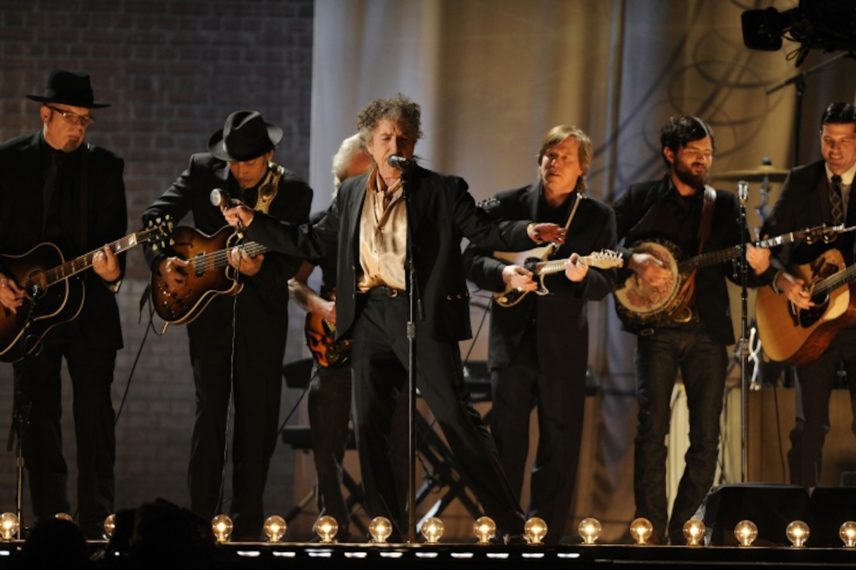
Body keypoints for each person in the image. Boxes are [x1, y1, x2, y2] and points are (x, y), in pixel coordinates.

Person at [220, 94, 566, 541]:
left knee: (455, 417)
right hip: (369, 315)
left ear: (415, 140)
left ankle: (509, 521)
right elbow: (307, 241)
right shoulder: (349, 193)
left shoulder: (441, 189)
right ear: (370, 142)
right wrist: (253, 223)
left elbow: (484, 229)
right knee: (370, 428)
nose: (395, 143)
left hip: (419, 311)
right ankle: (386, 530)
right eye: (385, 136)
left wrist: (527, 232)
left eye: (403, 136)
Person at [141, 110, 312, 540]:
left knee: (256, 426)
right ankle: (200, 526)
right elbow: (156, 218)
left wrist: (260, 271)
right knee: (210, 418)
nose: (239, 170)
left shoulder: (293, 192)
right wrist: (163, 262)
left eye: (249, 162)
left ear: (270, 155)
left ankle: (247, 532)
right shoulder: (203, 171)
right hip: (209, 317)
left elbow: (294, 256)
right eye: (233, 161)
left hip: (261, 322)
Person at [613, 115, 771, 544]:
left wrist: (758, 266)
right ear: (670, 154)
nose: (703, 160)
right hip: (655, 330)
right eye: (693, 153)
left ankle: (684, 527)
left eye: (708, 154)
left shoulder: (722, 205)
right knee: (652, 430)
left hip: (706, 330)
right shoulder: (640, 198)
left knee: (706, 436)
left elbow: (741, 269)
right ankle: (649, 527)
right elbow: (605, 246)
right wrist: (634, 261)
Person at [462, 125, 618, 544]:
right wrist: (504, 274)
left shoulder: (597, 217)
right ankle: (504, 532)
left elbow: (608, 285)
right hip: (510, 343)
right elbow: (470, 258)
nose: (555, 163)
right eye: (549, 155)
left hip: (563, 348)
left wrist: (584, 276)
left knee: (559, 447)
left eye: (566, 157)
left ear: (582, 168)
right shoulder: (508, 204)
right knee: (506, 443)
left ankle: (544, 536)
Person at [0, 70, 126, 538]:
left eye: (86, 120)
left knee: (95, 417)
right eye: (70, 118)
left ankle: (97, 519)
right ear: (46, 114)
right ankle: (52, 519)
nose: (78, 128)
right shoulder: (8, 161)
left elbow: (116, 241)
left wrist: (113, 274)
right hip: (27, 313)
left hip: (88, 310)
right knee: (38, 417)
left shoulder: (106, 167)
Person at [761, 102, 856, 488]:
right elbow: (768, 244)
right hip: (810, 322)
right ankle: (802, 519)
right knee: (808, 427)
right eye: (828, 140)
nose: (834, 150)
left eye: (845, 142)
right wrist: (784, 282)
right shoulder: (801, 180)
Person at [287, 133, 370, 540]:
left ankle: (388, 529)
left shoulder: (392, 228)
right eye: (346, 183)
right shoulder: (322, 223)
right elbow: (295, 283)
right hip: (333, 342)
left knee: (382, 438)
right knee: (327, 440)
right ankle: (332, 526)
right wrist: (323, 309)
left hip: (378, 344)